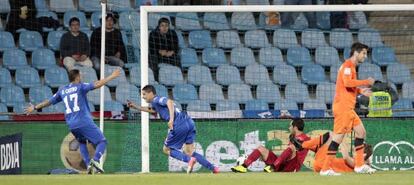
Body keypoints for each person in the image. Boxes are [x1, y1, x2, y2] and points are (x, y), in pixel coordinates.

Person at [24, 68, 121, 174]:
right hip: (83, 121)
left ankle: (89, 166)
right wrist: (111, 76)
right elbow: (96, 84)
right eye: (81, 75)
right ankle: (96, 161)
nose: (82, 77)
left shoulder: (63, 90)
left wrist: (35, 107)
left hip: (71, 124)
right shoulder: (80, 87)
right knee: (102, 141)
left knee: (82, 142)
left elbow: (49, 102)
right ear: (77, 77)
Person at [127, 85, 219, 174]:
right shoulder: (155, 103)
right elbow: (152, 110)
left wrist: (171, 119)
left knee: (166, 149)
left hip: (178, 124)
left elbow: (169, 102)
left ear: (151, 93)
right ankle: (213, 168)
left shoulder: (157, 99)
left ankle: (189, 160)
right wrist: (135, 106)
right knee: (189, 151)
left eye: (144, 94)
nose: (143, 97)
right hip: (189, 122)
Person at [319, 42, 376, 176]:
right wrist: (365, 81)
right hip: (343, 108)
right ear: (356, 52)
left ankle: (359, 165)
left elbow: (350, 87)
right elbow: (347, 83)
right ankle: (325, 169)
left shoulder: (351, 67)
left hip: (348, 108)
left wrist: (361, 91)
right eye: (364, 53)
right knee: (337, 138)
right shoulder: (347, 66)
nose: (365, 56)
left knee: (361, 132)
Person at [231, 118, 310, 173]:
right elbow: (287, 154)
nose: (289, 128)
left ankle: (272, 167)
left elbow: (297, 150)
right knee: (261, 148)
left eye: (290, 126)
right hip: (281, 164)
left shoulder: (306, 138)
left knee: (292, 147)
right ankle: (243, 167)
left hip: (292, 167)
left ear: (295, 127)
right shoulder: (292, 137)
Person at [292, 132, 374, 173]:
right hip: (322, 164)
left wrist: (340, 140)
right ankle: (303, 146)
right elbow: (367, 163)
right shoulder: (362, 164)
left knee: (330, 135)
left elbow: (346, 157)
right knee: (323, 145)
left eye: (359, 150)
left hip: (323, 164)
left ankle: (302, 145)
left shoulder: (359, 164)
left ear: (364, 155)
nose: (356, 150)